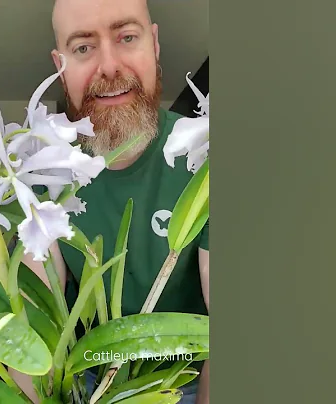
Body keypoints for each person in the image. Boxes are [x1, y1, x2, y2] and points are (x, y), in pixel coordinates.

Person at [10, 1, 209, 403]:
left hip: (185, 381)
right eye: (83, 48)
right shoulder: (42, 170)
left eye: (127, 37)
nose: (109, 66)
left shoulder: (205, 156)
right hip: (84, 382)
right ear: (59, 64)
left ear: (153, 44)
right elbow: (31, 329)